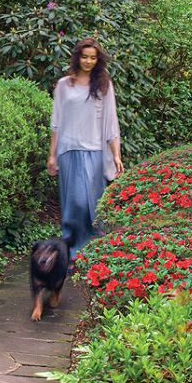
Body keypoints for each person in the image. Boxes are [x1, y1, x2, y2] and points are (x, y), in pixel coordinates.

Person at [47, 37, 123, 259]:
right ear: (77, 57)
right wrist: (52, 155)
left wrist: (116, 155)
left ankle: (93, 250)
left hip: (95, 152)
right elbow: (56, 121)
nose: (88, 61)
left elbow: (111, 122)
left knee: (93, 203)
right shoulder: (64, 85)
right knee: (74, 203)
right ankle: (72, 251)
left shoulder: (103, 86)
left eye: (93, 57)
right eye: (84, 56)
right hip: (68, 150)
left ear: (97, 60)